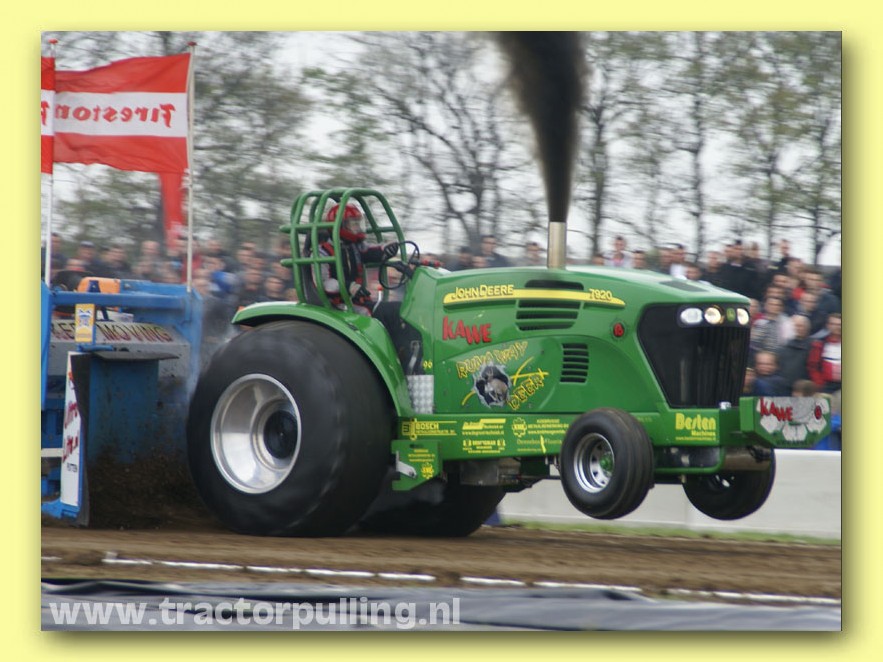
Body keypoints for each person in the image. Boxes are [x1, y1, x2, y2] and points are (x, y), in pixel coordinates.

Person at [319, 202, 386, 315]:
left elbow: (371, 250)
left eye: (358, 223)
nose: (358, 227)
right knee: (376, 314)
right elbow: (324, 283)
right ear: (341, 225)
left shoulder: (354, 246)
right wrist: (349, 287)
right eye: (354, 223)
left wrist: (386, 249)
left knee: (391, 310)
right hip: (337, 303)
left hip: (356, 300)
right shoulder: (322, 252)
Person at [777, 314, 813, 391]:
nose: (797, 328)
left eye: (800, 326)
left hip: (804, 388)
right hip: (784, 386)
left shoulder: (814, 346)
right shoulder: (783, 347)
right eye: (794, 326)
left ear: (807, 328)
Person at [807, 313, 842, 394]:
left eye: (839, 324)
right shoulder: (819, 344)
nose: (837, 327)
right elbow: (813, 366)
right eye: (833, 324)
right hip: (826, 387)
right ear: (828, 325)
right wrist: (820, 384)